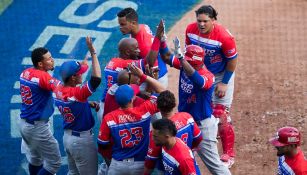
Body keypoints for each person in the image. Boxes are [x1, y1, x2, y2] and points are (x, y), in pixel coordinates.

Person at [160, 37, 231, 174]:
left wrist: (181, 59)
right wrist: (162, 40)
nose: (184, 63)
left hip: (202, 125)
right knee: (179, 157)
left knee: (214, 165)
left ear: (197, 63)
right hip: (184, 123)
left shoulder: (208, 76)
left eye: (188, 61)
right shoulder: (185, 65)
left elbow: (198, 80)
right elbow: (167, 57)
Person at [185, 5, 238, 168]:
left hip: (221, 75)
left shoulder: (224, 37)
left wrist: (224, 82)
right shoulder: (190, 30)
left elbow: (232, 61)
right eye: (199, 20)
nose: (201, 24)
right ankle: (193, 145)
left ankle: (229, 154)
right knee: (193, 110)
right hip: (200, 74)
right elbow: (189, 53)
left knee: (220, 114)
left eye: (205, 21)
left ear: (213, 20)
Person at [97, 64, 165, 175]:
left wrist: (111, 159)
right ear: (133, 98)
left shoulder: (110, 99)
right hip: (140, 163)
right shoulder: (143, 110)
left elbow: (102, 144)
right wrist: (146, 77)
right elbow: (162, 91)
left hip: (117, 164)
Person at [98, 20, 164, 122]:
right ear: (128, 52)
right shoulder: (126, 64)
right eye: (136, 48)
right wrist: (158, 37)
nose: (139, 51)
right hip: (115, 108)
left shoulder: (112, 62)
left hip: (106, 104)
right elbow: (150, 61)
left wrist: (142, 91)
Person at [53, 36, 101, 175]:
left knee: (73, 173)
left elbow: (74, 102)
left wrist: (87, 104)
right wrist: (93, 53)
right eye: (80, 73)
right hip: (81, 142)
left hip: (68, 139)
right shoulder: (77, 93)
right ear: (73, 77)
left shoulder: (58, 89)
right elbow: (96, 79)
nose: (82, 75)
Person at [19, 47, 61, 175]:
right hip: (37, 127)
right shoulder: (42, 77)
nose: (52, 60)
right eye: (49, 59)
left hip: (24, 123)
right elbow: (61, 89)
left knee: (35, 159)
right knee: (54, 163)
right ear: (40, 64)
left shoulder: (25, 73)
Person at [144, 90, 203, 174]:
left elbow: (151, 160)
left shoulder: (159, 130)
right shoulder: (187, 116)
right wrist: (189, 149)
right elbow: (199, 138)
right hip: (185, 158)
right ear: (174, 104)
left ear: (158, 108)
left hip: (167, 165)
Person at [117, 7, 168, 88]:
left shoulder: (144, 45)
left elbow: (154, 71)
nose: (120, 27)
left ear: (133, 23)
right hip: (149, 71)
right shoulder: (142, 27)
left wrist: (148, 92)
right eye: (119, 24)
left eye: (123, 24)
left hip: (157, 79)